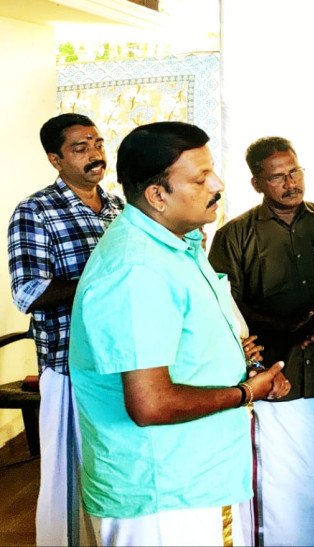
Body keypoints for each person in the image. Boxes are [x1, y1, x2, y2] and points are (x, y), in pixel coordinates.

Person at [68, 121, 289, 546]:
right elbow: (150, 403)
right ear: (157, 195)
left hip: (196, 475)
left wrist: (236, 360)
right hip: (163, 494)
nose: (218, 185)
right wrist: (245, 392)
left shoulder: (176, 245)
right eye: (200, 178)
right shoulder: (137, 269)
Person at [209, 136, 314, 546]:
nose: (290, 183)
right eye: (278, 177)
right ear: (257, 183)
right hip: (273, 381)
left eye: (294, 172)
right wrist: (281, 330)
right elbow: (225, 307)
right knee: (279, 492)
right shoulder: (235, 236)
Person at [6, 113, 124, 546]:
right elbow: (29, 292)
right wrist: (105, 281)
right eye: (80, 148)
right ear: (55, 159)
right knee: (70, 480)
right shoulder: (35, 211)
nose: (95, 154)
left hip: (118, 360)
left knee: (113, 469)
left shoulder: (119, 208)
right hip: (68, 362)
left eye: (97, 143)